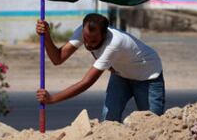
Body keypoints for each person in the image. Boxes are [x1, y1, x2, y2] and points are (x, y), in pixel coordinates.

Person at [36, 13, 165, 122]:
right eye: (85, 39)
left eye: (94, 41)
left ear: (104, 35)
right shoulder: (83, 31)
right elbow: (57, 58)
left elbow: (87, 82)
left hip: (147, 75)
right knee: (108, 120)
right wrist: (47, 35)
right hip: (121, 74)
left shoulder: (114, 43)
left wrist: (53, 99)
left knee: (151, 122)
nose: (88, 44)